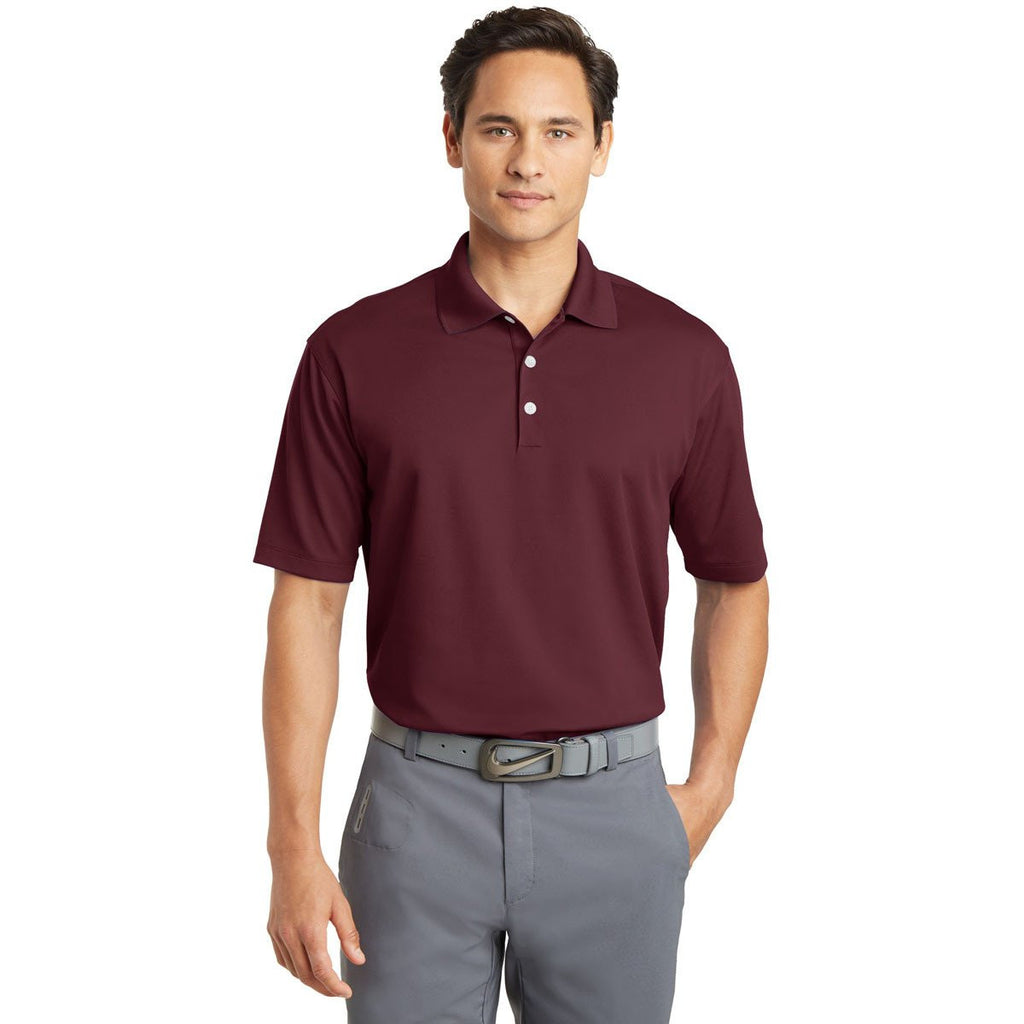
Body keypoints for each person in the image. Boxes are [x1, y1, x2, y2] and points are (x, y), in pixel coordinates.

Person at [253, 7, 769, 1022]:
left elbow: (735, 581)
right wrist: (291, 846)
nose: (528, 160)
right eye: (499, 128)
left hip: (614, 810)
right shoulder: (353, 351)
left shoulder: (685, 358)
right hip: (414, 811)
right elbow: (307, 604)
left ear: (602, 146)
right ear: (452, 138)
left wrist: (709, 789)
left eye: (559, 130)